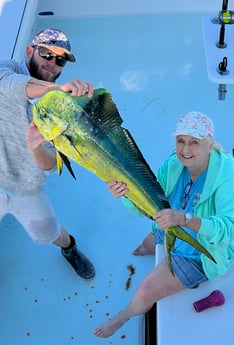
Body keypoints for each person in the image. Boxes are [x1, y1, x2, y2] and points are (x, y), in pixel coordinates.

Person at [0, 28, 96, 303]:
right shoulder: (2, 69)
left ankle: (70, 247)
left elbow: (50, 165)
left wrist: (34, 146)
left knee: (49, 232)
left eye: (60, 60)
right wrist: (58, 89)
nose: (52, 64)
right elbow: (12, 85)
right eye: (46, 54)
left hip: (28, 188)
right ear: (30, 51)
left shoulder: (61, 107)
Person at [94, 111, 234, 338]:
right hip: (170, 227)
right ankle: (148, 248)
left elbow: (228, 231)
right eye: (181, 141)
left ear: (210, 145)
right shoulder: (173, 163)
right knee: (147, 244)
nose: (185, 150)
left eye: (194, 143)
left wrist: (185, 219)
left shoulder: (228, 176)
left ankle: (123, 316)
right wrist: (125, 195)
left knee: (144, 292)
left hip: (202, 253)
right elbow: (146, 207)